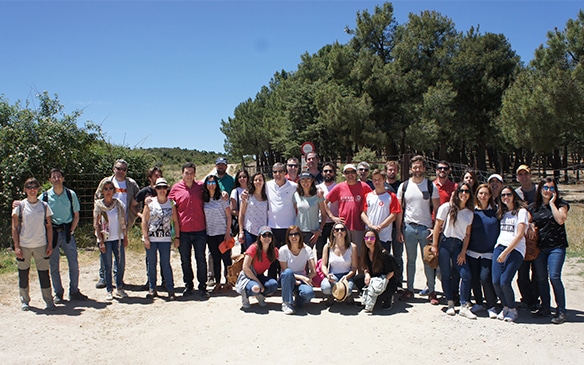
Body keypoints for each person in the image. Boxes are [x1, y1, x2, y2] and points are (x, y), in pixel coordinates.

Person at [396, 155, 440, 304]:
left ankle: (432, 291)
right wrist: (398, 229)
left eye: (420, 167)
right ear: (411, 169)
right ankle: (409, 289)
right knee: (410, 260)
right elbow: (400, 210)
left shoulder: (430, 186)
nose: (417, 169)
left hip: (426, 229)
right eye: (415, 167)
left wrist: (435, 229)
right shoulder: (404, 186)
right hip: (409, 227)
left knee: (429, 260)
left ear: (424, 169)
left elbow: (437, 209)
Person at [43, 168, 88, 303]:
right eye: (53, 177)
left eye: (58, 176)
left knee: (73, 263)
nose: (56, 179)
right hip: (52, 234)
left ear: (63, 179)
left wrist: (71, 230)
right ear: (50, 180)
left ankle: (74, 291)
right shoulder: (45, 196)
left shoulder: (70, 194)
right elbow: (32, 203)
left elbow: (76, 214)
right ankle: (58, 293)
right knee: (54, 265)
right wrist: (18, 204)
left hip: (67, 232)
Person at [431, 182, 475, 318]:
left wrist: (463, 252)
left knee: (465, 275)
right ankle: (450, 302)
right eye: (461, 191)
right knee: (445, 274)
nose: (464, 194)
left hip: (458, 245)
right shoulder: (446, 208)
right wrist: (435, 245)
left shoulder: (469, 213)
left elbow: (467, 234)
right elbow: (438, 226)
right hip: (445, 242)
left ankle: (463, 305)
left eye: (467, 191)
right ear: (457, 193)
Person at [95, 159, 140, 289]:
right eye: (118, 168)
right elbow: (97, 197)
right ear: (113, 169)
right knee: (104, 250)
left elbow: (138, 199)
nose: (120, 171)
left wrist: (134, 215)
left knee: (119, 253)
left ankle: (118, 279)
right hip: (106, 224)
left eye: (123, 169)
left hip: (123, 223)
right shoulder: (106, 182)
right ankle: (103, 278)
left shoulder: (131, 184)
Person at [529, 178, 569, 324]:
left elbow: (561, 220)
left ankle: (561, 310)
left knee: (555, 277)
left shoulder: (561, 204)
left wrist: (552, 203)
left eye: (552, 188)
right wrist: (531, 225)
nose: (548, 191)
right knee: (541, 278)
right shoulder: (534, 207)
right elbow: (527, 220)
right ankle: (545, 307)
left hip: (556, 247)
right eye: (545, 188)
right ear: (540, 189)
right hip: (540, 248)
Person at [12, 178, 54, 311]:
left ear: (38, 189)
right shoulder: (20, 206)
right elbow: (14, 227)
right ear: (25, 190)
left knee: (44, 274)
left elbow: (49, 227)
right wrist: (17, 246)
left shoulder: (44, 206)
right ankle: (24, 300)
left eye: (34, 187)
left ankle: (49, 301)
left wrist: (49, 244)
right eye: (29, 187)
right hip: (24, 245)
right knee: (23, 274)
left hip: (41, 244)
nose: (32, 190)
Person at [168, 162, 209, 298]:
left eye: (191, 173)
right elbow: (166, 203)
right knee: (185, 260)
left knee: (201, 259)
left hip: (200, 230)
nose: (189, 175)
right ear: (182, 174)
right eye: (187, 173)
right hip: (183, 231)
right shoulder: (175, 189)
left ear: (195, 174)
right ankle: (188, 285)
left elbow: (214, 194)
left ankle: (203, 286)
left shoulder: (201, 187)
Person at [492, 186, 529, 323]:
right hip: (499, 247)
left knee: (505, 281)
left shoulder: (521, 212)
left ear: (514, 195)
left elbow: (519, 235)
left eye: (508, 194)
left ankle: (513, 309)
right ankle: (505, 306)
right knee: (496, 281)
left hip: (515, 250)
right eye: (502, 195)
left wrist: (506, 252)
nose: (505, 197)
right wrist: (500, 251)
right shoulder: (502, 212)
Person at [141, 177, 179, 301]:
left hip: (165, 239)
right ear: (155, 189)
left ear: (167, 188)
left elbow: (175, 221)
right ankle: (152, 288)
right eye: (159, 187)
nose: (161, 190)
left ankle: (170, 289)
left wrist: (177, 237)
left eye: (164, 187)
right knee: (151, 264)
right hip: (152, 238)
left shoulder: (171, 203)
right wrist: (146, 238)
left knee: (165, 264)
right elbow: (144, 221)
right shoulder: (150, 202)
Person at [467, 184, 500, 319]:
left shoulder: (496, 211)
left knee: (485, 278)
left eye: (486, 193)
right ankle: (479, 303)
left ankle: (491, 305)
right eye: (480, 193)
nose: (483, 196)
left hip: (489, 252)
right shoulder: (472, 212)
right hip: (472, 251)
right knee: (474, 278)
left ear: (490, 195)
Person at [324, 164, 372, 254]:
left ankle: (360, 269)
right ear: (344, 174)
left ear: (356, 173)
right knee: (344, 253)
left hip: (359, 226)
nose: (350, 175)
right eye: (347, 172)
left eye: (352, 172)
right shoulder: (339, 187)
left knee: (360, 254)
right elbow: (325, 202)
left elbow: (372, 201)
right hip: (343, 228)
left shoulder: (364, 186)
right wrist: (332, 217)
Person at [94, 180, 129, 301]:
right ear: (102, 191)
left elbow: (124, 221)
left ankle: (119, 287)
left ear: (114, 191)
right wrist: (100, 241)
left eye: (110, 189)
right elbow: (96, 224)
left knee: (120, 264)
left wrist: (125, 237)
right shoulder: (99, 205)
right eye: (106, 189)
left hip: (118, 238)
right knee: (107, 265)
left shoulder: (119, 204)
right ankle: (109, 289)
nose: (108, 191)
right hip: (106, 239)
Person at [266, 162, 297, 279]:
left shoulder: (294, 186)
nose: (277, 174)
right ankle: (272, 282)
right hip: (272, 227)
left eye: (280, 171)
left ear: (285, 173)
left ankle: (286, 281)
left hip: (289, 227)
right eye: (275, 172)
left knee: (287, 256)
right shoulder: (267, 186)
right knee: (273, 256)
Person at [353, 229, 397, 312]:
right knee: (357, 279)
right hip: (373, 279)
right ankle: (368, 297)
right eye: (367, 238)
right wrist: (367, 274)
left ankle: (388, 298)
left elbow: (391, 272)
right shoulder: (365, 251)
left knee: (379, 297)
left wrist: (381, 283)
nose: (369, 240)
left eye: (372, 238)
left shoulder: (383, 254)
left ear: (376, 240)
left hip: (387, 281)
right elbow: (365, 266)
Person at [515, 164, 540, 311]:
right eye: (520, 174)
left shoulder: (538, 191)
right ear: (518, 177)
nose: (523, 177)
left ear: (530, 175)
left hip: (538, 234)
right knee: (522, 271)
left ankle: (535, 299)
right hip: (522, 234)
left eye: (526, 174)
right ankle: (526, 298)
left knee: (537, 271)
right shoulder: (516, 193)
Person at [203, 175, 233, 293]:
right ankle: (217, 283)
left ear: (217, 184)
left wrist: (228, 232)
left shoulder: (222, 198)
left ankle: (228, 282)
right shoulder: (204, 199)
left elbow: (228, 216)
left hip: (222, 233)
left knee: (226, 259)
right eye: (209, 182)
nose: (211, 185)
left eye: (213, 182)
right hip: (210, 234)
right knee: (215, 259)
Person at [136, 166, 164, 291]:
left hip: (163, 230)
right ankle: (150, 282)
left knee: (164, 257)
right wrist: (142, 216)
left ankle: (164, 281)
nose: (157, 177)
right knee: (150, 258)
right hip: (149, 229)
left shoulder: (165, 189)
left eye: (159, 175)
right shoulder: (145, 191)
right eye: (155, 176)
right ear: (150, 178)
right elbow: (133, 205)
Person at [279, 225, 317, 315]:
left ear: (300, 235)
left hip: (301, 280)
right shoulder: (283, 250)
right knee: (288, 272)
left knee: (309, 293)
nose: (293, 237)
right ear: (287, 237)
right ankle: (287, 303)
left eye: (296, 234)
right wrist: (302, 278)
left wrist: (306, 278)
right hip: (287, 279)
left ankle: (298, 301)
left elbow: (313, 271)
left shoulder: (307, 249)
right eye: (290, 234)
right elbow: (284, 270)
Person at [240, 226, 279, 309]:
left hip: (259, 275)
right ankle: (245, 295)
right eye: (264, 235)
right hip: (248, 276)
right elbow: (245, 268)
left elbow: (285, 259)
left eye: (269, 235)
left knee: (273, 284)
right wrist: (259, 283)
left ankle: (259, 295)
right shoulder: (253, 248)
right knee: (256, 288)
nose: (267, 238)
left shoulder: (274, 251)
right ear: (260, 237)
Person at [361, 169, 401, 251]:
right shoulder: (367, 196)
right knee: (369, 259)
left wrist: (380, 227)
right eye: (374, 180)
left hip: (384, 236)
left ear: (384, 180)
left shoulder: (391, 196)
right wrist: (370, 225)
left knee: (383, 260)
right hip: (370, 236)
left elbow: (393, 215)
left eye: (379, 179)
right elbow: (363, 213)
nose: (377, 182)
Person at [320, 222, 358, 306]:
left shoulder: (352, 247)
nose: (339, 231)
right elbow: (323, 265)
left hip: (347, 276)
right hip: (333, 275)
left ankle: (348, 295)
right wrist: (327, 274)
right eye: (337, 230)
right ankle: (332, 295)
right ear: (333, 233)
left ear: (346, 232)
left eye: (342, 229)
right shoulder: (328, 246)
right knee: (325, 288)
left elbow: (354, 267)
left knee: (348, 290)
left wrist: (347, 276)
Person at [294, 172, 327, 248]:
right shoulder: (296, 195)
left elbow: (324, 215)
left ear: (312, 181)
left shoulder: (318, 195)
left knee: (310, 256)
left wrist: (319, 231)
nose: (305, 182)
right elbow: (295, 212)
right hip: (299, 231)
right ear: (299, 182)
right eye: (303, 180)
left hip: (312, 232)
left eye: (308, 179)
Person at [238, 172, 268, 251]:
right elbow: (241, 214)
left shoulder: (267, 197)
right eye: (256, 180)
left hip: (264, 233)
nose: (258, 182)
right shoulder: (247, 196)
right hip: (250, 232)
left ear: (264, 182)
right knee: (250, 258)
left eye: (260, 180)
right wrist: (241, 232)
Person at [316, 162, 338, 260]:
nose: (328, 173)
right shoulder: (317, 188)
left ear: (334, 173)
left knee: (336, 249)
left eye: (330, 171)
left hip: (335, 223)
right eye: (325, 171)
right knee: (320, 250)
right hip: (320, 223)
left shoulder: (339, 187)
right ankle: (320, 272)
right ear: (322, 173)